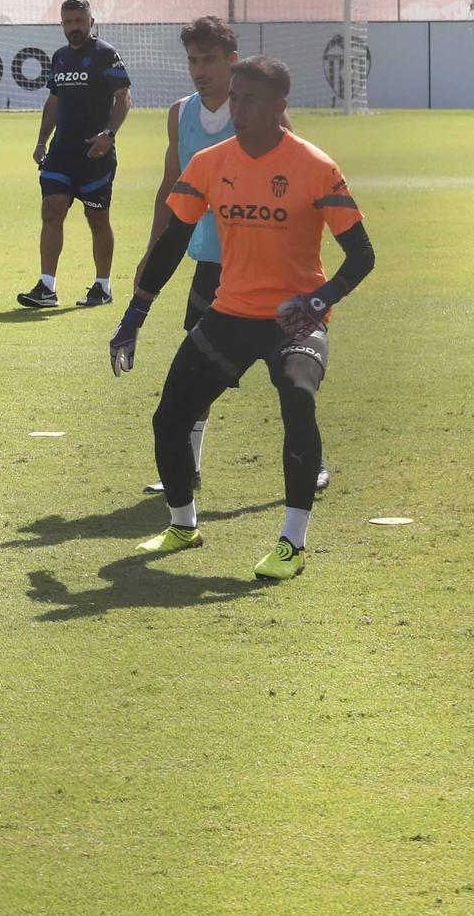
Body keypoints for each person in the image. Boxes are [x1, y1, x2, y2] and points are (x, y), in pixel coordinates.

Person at [110, 56, 374, 581]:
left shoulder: (315, 166)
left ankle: (292, 543)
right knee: (169, 419)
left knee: (298, 399)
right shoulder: (209, 163)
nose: (238, 108)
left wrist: (318, 302)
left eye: (250, 99)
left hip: (294, 322)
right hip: (228, 315)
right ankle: (183, 525)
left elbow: (362, 255)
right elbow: (172, 242)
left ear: (280, 106)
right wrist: (135, 313)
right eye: (235, 97)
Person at [138, 17, 330, 496]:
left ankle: (314, 463)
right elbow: (171, 183)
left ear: (232, 60)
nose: (199, 70)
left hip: (268, 269)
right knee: (196, 371)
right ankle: (187, 468)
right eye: (192, 60)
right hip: (209, 263)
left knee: (290, 375)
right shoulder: (179, 112)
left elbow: (297, 172)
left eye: (209, 59)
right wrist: (152, 248)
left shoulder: (260, 111)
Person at [19, 0, 130, 309]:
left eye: (80, 21)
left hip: (95, 154)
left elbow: (124, 98)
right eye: (68, 22)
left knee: (96, 217)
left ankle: (103, 285)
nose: (74, 28)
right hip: (61, 152)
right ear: (62, 24)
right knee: (52, 209)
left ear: (91, 22)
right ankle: (46, 287)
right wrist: (42, 141)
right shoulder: (60, 58)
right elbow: (54, 102)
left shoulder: (106, 55)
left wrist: (108, 135)